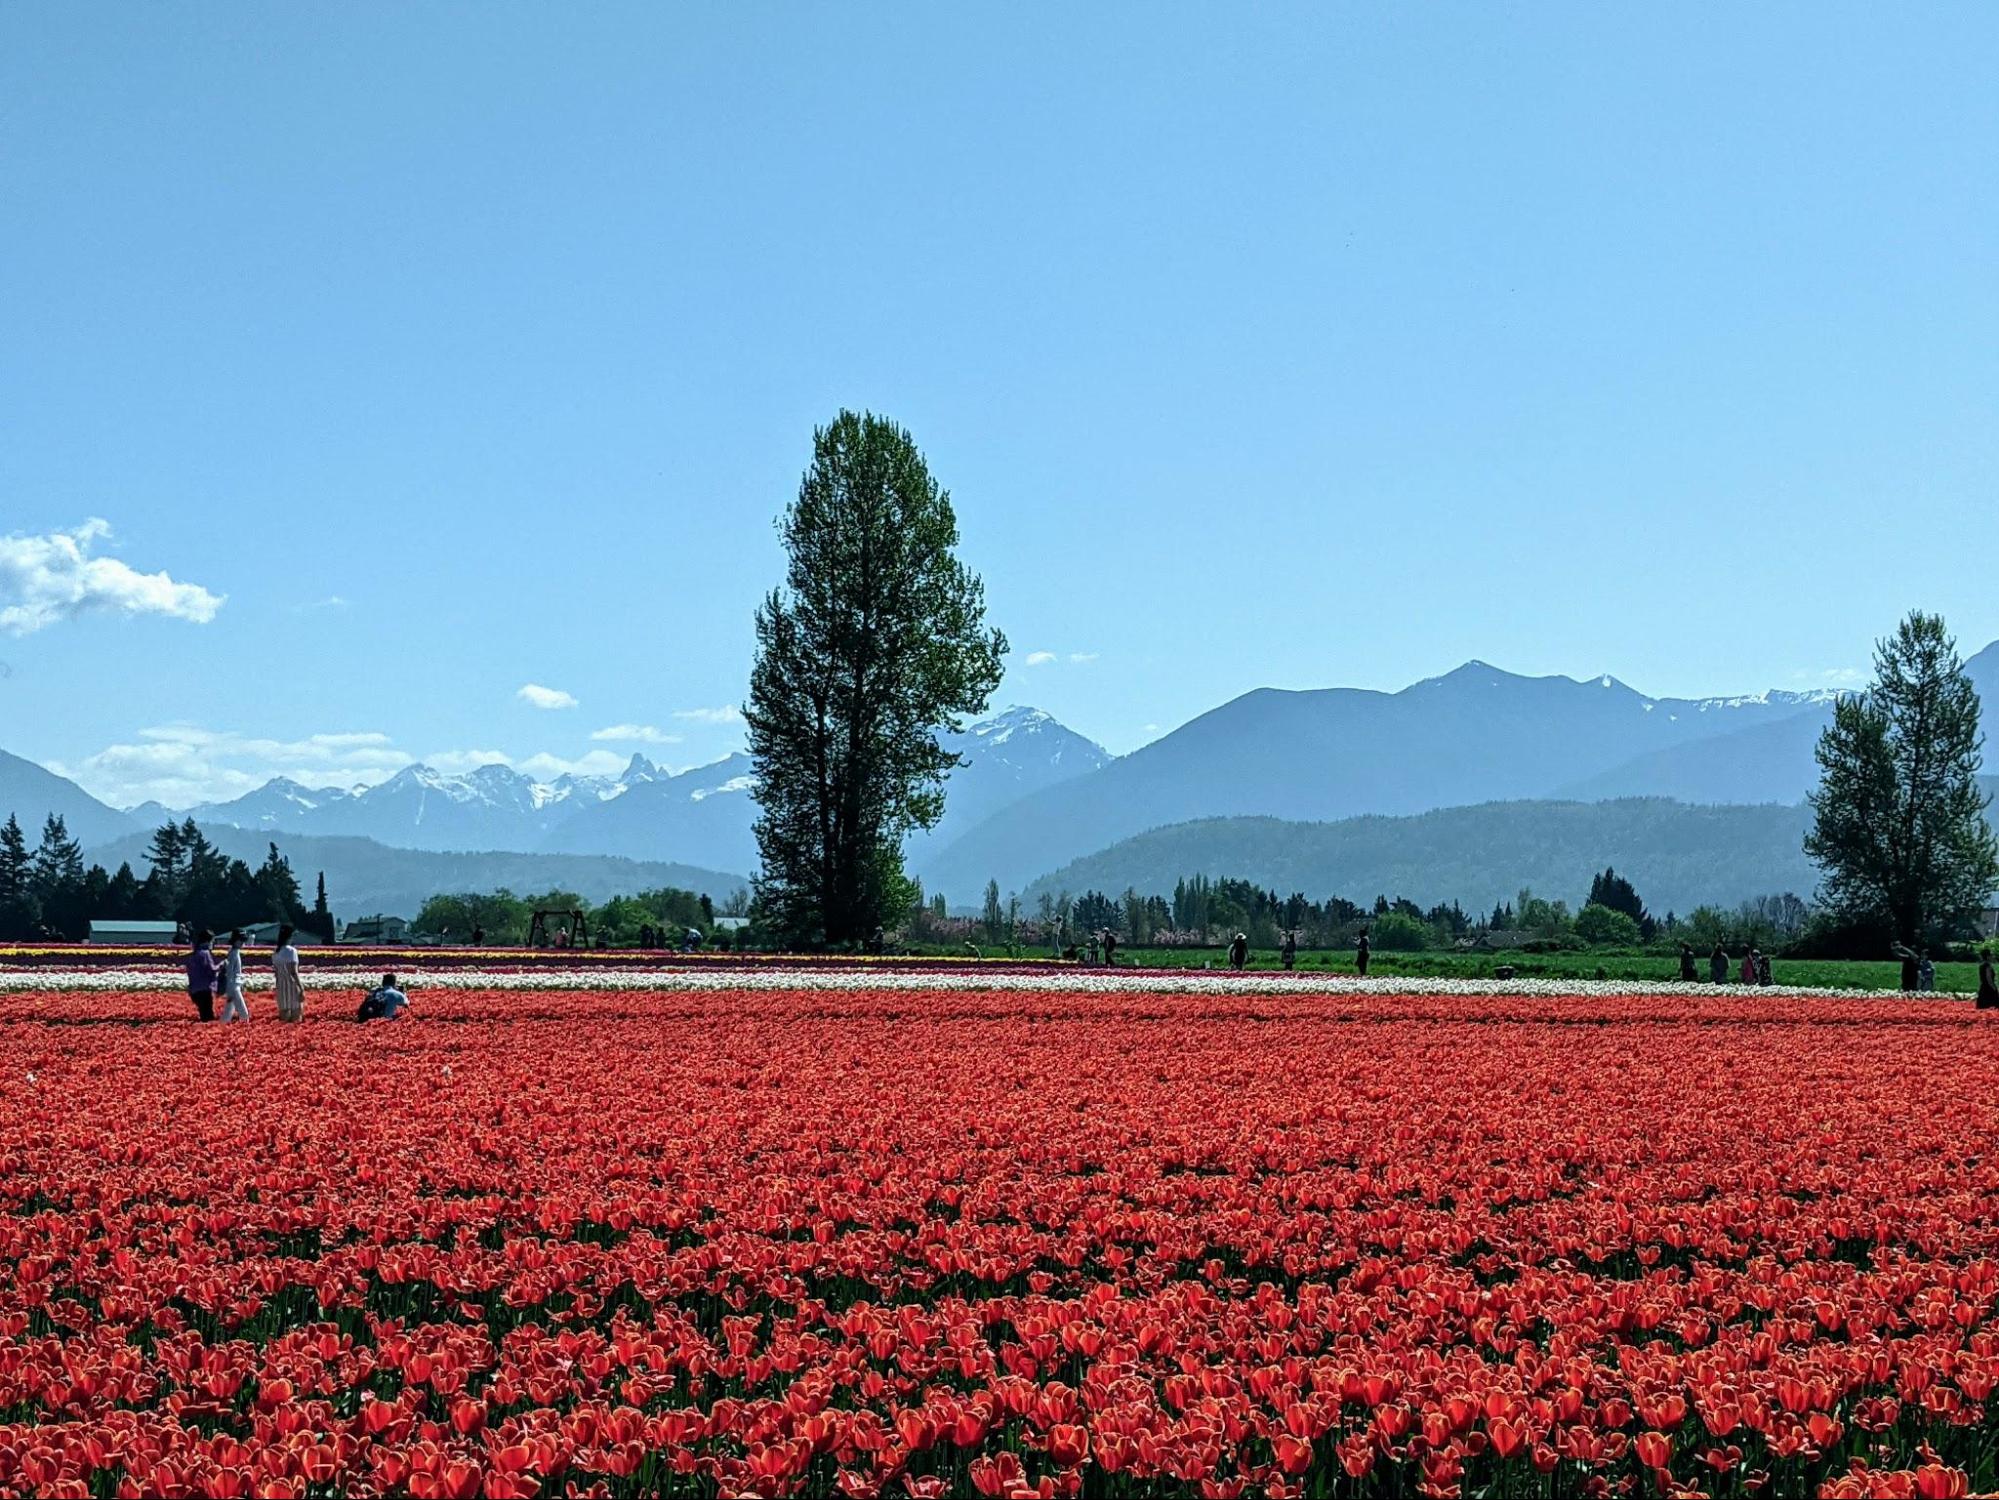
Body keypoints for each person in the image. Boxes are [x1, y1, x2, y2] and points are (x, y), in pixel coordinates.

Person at [272, 923, 304, 1023]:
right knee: (296, 1013)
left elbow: (276, 973)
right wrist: (301, 987)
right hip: (292, 985)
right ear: (290, 936)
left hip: (281, 985)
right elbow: (293, 972)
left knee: (284, 1013)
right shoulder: (291, 951)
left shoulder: (276, 953)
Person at [185, 929, 219, 1022]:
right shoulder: (205, 953)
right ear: (208, 941)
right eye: (212, 941)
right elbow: (211, 969)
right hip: (204, 989)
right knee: (208, 1016)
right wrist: (222, 965)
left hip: (194, 990)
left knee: (203, 1015)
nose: (213, 944)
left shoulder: (194, 954)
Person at [217, 929, 249, 1022]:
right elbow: (230, 972)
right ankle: (246, 1028)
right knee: (243, 1012)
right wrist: (230, 990)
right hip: (234, 986)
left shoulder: (234, 952)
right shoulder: (233, 954)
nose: (243, 943)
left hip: (235, 985)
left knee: (229, 1011)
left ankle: (222, 1025)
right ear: (236, 941)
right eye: (241, 940)